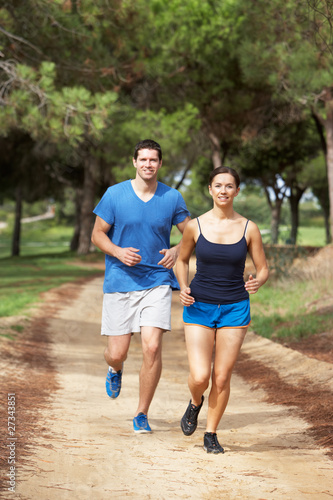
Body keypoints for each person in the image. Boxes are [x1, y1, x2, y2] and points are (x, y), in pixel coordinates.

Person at [91, 139, 191, 434]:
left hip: (157, 282)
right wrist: (118, 251)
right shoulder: (114, 194)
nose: (148, 164)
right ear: (134, 162)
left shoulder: (172, 197)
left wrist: (176, 250)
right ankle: (115, 368)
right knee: (117, 351)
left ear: (160, 164)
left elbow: (193, 233)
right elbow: (97, 235)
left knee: (152, 346)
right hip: (120, 281)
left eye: (154, 160)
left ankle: (141, 413)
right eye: (143, 159)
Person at [175, 166, 269, 453]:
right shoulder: (195, 226)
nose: (224, 191)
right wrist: (183, 286)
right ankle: (195, 402)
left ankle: (211, 433)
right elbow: (181, 260)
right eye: (218, 185)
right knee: (201, 377)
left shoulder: (248, 228)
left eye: (229, 186)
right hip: (199, 306)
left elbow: (263, 269)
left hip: (235, 308)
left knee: (221, 377)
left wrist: (257, 283)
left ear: (237, 191)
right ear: (210, 190)